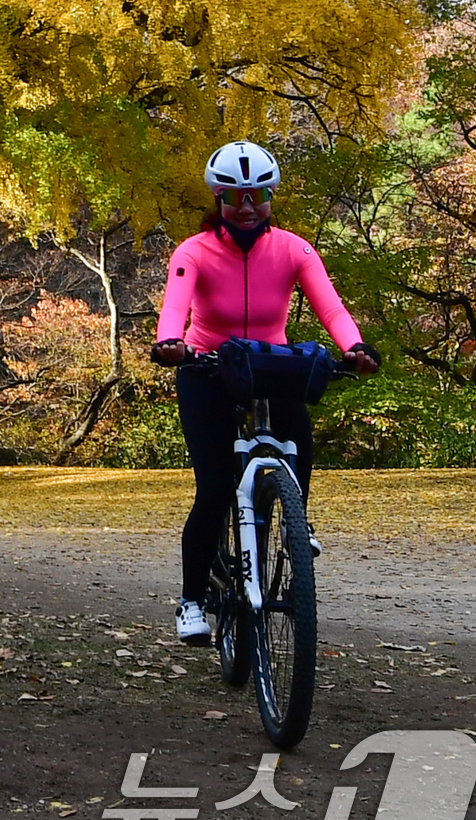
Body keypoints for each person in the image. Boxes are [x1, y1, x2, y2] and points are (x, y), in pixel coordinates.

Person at [150, 139, 379, 644]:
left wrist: (355, 346)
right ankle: (191, 602)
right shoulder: (195, 251)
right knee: (213, 489)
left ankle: (297, 524)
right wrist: (170, 342)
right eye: (236, 198)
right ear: (218, 200)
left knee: (297, 436)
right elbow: (176, 305)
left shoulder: (295, 249)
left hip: (271, 366)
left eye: (259, 195)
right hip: (207, 366)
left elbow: (332, 309)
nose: (249, 207)